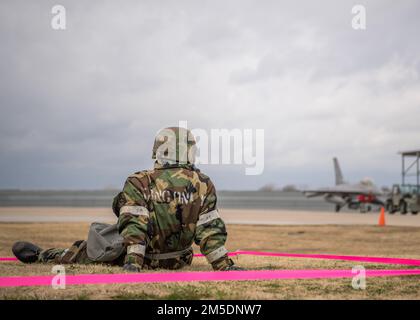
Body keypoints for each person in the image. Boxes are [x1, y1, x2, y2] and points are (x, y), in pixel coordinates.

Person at [12, 127, 242, 272]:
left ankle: (44, 255)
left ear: (159, 151)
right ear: (189, 151)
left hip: (144, 260)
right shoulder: (203, 183)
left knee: (86, 248)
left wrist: (133, 264)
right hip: (178, 261)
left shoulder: (139, 181)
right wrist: (224, 266)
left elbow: (135, 225)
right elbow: (209, 229)